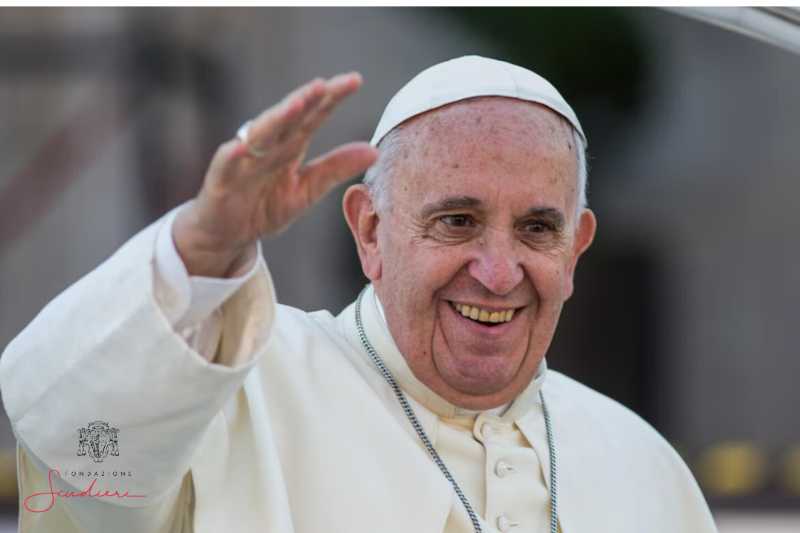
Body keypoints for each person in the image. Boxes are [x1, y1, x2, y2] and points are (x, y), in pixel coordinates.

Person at [0, 56, 717, 533]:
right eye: (457, 221)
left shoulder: (646, 467)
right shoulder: (232, 390)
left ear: (575, 249)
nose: (498, 272)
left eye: (536, 229)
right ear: (370, 231)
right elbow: (76, 454)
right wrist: (199, 250)